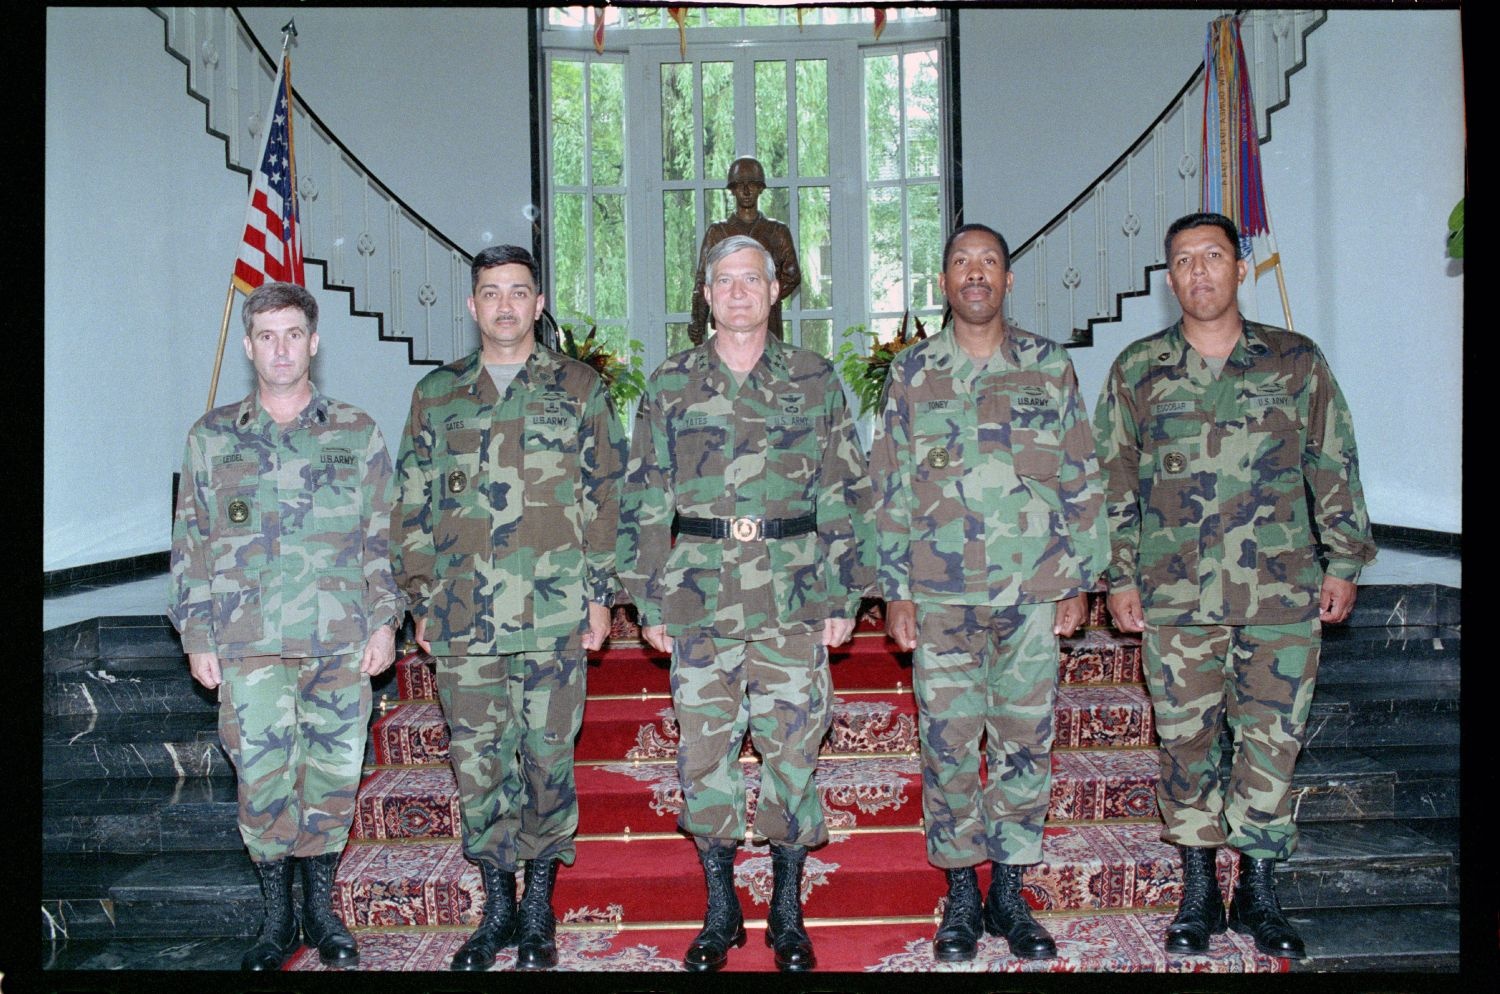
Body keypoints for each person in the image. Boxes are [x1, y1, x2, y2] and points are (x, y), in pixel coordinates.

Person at [1093, 212, 1376, 958]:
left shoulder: (1294, 361)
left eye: (1212, 257)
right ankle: (1197, 892)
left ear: (1239, 268)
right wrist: (1119, 576)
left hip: (1280, 594)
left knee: (1270, 744)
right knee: (1186, 745)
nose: (1199, 272)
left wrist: (1343, 559)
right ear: (1170, 277)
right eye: (1183, 261)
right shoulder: (1139, 370)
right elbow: (1112, 480)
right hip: (1176, 598)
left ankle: (1257, 889)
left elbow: (1331, 459)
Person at [617, 234, 873, 972]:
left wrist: (843, 591)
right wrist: (646, 598)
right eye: (723, 280)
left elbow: (844, 490)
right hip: (697, 595)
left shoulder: (814, 378)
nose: (737, 292)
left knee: (793, 749)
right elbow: (643, 496)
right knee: (705, 756)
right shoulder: (670, 385)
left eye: (750, 280)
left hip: (793, 592)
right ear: (705, 293)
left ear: (774, 291)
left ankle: (787, 910)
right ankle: (721, 908)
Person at [867, 223, 1108, 962]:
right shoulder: (912, 374)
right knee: (947, 746)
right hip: (942, 599)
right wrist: (895, 591)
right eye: (961, 264)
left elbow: (1081, 477)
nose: (976, 275)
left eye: (990, 263)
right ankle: (962, 895)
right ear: (943, 283)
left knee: (1025, 745)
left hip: (1034, 594)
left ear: (1007, 280)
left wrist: (1082, 580)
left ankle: (1009, 888)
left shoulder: (1047, 366)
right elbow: (889, 487)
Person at [390, 245, 626, 971]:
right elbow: (410, 505)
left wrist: (599, 597)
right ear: (472, 306)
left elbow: (607, 498)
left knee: (550, 759)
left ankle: (538, 911)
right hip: (464, 620)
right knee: (479, 763)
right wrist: (421, 600)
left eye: (518, 293)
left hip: (553, 614)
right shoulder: (438, 394)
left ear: (538, 302)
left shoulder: (580, 388)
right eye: (490, 293)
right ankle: (496, 908)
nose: (504, 306)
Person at [168, 281, 403, 971]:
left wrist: (385, 620)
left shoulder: (355, 432)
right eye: (267, 336)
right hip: (249, 648)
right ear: (248, 346)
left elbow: (383, 538)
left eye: (293, 334)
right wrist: (197, 636)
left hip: (339, 641)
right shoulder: (212, 438)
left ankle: (323, 917)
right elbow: (191, 547)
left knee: (332, 777)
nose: (280, 348)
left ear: (314, 342)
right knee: (265, 781)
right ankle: (277, 922)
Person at [688, 156, 802, 345]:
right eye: (740, 185)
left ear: (761, 188)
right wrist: (697, 319)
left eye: (753, 184)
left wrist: (763, 295)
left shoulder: (777, 231)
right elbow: (702, 280)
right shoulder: (717, 232)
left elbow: (793, 275)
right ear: (732, 190)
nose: (747, 191)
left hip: (768, 325)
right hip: (727, 322)